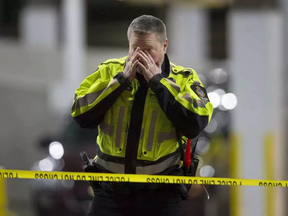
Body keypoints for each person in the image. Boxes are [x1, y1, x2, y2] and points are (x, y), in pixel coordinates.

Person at [71, 15, 213, 216]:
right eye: (135, 49)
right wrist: (120, 82)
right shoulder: (109, 71)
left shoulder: (184, 79)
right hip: (110, 193)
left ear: (164, 45)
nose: (140, 57)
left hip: (161, 195)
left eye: (148, 51)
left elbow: (196, 122)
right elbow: (80, 114)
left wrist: (158, 82)